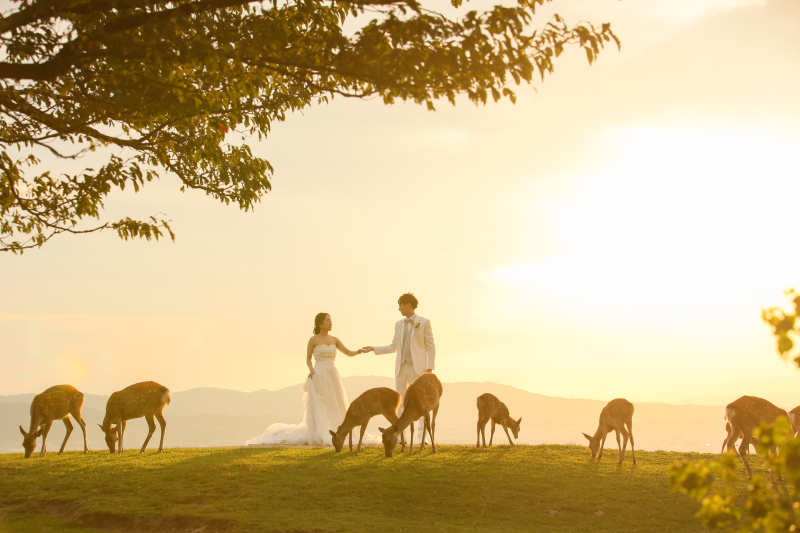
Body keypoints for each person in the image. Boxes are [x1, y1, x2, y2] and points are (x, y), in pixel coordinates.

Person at [246, 313, 371, 446]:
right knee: (321, 402)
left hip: (332, 374)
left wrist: (358, 351)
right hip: (319, 373)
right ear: (320, 324)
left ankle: (340, 431)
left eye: (331, 321)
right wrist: (311, 370)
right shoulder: (313, 340)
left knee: (335, 401)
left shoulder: (335, 339)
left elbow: (347, 352)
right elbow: (308, 358)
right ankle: (323, 430)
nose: (330, 323)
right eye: (327, 321)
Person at [361, 293, 436, 444]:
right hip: (401, 368)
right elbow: (393, 347)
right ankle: (402, 435)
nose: (399, 308)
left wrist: (429, 369)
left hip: (418, 368)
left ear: (409, 305)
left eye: (400, 305)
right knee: (400, 402)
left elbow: (431, 347)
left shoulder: (424, 322)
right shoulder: (398, 324)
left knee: (421, 402)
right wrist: (373, 348)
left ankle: (422, 436)